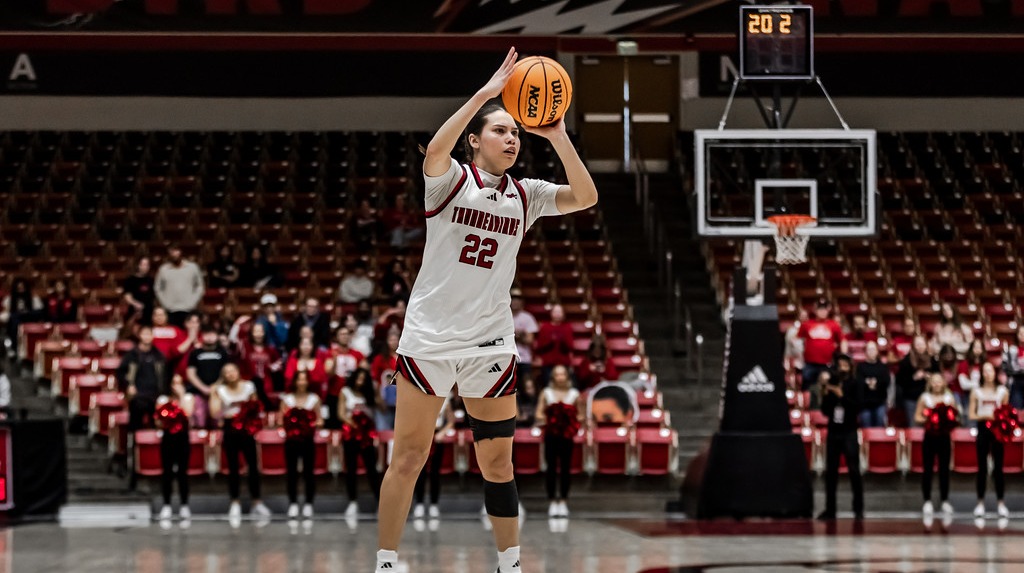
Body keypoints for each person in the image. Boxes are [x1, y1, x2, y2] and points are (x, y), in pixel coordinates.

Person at [375, 46, 598, 573]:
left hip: (490, 344)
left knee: (498, 461)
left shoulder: (528, 194)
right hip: (428, 338)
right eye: (500, 130)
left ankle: (510, 563)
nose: (512, 138)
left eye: (515, 133)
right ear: (475, 141)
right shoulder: (449, 181)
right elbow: (434, 148)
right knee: (408, 458)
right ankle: (386, 562)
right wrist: (486, 94)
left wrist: (557, 133)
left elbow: (586, 196)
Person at [209, 363, 271, 520]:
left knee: (253, 465)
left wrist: (244, 412)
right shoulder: (219, 390)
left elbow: (256, 406)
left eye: (233, 370)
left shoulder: (249, 386)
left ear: (238, 371)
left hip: (247, 427)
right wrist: (226, 408)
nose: (230, 374)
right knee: (233, 467)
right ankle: (234, 501)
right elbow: (214, 413)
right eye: (226, 372)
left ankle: (256, 502)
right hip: (230, 429)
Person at [817, 354, 864, 521]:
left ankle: (858, 509)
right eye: (840, 365)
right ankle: (830, 510)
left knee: (854, 470)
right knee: (831, 472)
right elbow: (824, 411)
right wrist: (826, 393)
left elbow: (858, 406)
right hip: (834, 431)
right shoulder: (832, 383)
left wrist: (841, 395)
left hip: (849, 430)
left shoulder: (856, 383)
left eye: (846, 365)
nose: (843, 368)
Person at [534, 364, 582, 518]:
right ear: (553, 376)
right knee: (551, 468)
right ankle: (552, 501)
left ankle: (564, 500)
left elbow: (581, 416)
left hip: (567, 435)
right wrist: (553, 418)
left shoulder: (574, 394)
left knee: (566, 468)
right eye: (557, 374)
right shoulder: (546, 393)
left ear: (567, 376)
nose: (560, 377)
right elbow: (538, 414)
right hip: (551, 434)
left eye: (563, 374)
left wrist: (569, 418)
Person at [280, 370, 324, 519]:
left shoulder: (314, 398)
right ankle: (292, 503)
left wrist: (309, 423)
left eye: (304, 380)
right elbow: (281, 420)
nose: (302, 383)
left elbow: (320, 419)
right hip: (291, 440)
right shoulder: (287, 399)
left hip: (307, 439)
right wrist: (293, 424)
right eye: (299, 379)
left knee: (308, 472)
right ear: (295, 382)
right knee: (291, 472)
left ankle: (308, 504)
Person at [969, 361, 1010, 519]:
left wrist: (998, 419)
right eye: (984, 371)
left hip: (997, 430)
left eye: (990, 370)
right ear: (981, 374)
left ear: (995, 373)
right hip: (983, 429)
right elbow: (972, 414)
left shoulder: (1002, 391)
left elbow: (1006, 412)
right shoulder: (976, 392)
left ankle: (1001, 503)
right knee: (982, 468)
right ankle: (980, 503)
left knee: (998, 468)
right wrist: (985, 416)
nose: (988, 373)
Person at [914, 372, 958, 518]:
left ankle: (945, 500)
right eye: (934, 381)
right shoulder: (924, 398)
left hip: (944, 437)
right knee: (927, 469)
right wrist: (929, 418)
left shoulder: (949, 397)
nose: (937, 384)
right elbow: (917, 416)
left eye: (939, 381)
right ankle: (927, 501)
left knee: (944, 469)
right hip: (929, 436)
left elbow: (955, 416)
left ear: (943, 383)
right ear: (930, 383)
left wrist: (946, 420)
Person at [339, 367, 382, 519]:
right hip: (351, 435)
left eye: (364, 379)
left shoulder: (369, 394)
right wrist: (354, 423)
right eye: (359, 378)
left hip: (367, 436)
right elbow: (341, 413)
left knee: (372, 469)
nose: (361, 381)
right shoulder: (345, 392)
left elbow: (380, 408)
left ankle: (380, 503)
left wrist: (376, 392)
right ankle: (352, 502)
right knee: (350, 469)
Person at [155, 374, 195, 521]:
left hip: (183, 437)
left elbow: (187, 413)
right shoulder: (163, 400)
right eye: (174, 383)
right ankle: (166, 505)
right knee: (167, 472)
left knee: (183, 472)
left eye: (179, 383)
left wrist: (181, 395)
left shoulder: (188, 398)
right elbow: (159, 419)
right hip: (167, 437)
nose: (176, 386)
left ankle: (184, 505)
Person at [116, 326, 168, 434]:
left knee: (158, 427)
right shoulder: (132, 355)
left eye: (149, 334)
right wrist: (129, 385)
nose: (147, 337)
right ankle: (134, 448)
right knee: (135, 426)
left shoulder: (158, 356)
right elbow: (120, 372)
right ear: (139, 336)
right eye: (144, 334)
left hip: (155, 396)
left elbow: (166, 375)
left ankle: (154, 450)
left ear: (153, 336)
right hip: (137, 396)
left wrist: (164, 393)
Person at [412, 393, 456, 520]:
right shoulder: (421, 397)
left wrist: (442, 433)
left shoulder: (446, 399)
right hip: (422, 436)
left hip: (437, 438)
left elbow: (451, 421)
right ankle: (419, 503)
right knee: (420, 472)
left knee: (435, 473)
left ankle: (434, 504)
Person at [797, 299, 846, 408]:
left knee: (827, 389)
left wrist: (843, 358)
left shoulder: (834, 325)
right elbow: (798, 341)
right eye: (820, 309)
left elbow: (842, 341)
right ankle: (807, 413)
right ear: (815, 310)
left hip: (827, 364)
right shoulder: (807, 324)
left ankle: (826, 411)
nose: (822, 311)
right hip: (810, 363)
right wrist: (798, 358)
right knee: (808, 390)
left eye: (824, 309)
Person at [186, 324, 230, 428]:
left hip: (218, 391)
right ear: (202, 336)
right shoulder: (195, 353)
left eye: (212, 334)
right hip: (198, 391)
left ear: (217, 336)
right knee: (199, 422)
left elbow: (227, 372)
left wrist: (216, 387)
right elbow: (190, 373)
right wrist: (203, 388)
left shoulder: (223, 352)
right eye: (207, 334)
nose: (210, 337)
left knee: (217, 422)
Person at [235, 322, 283, 409]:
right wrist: (237, 324)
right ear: (251, 333)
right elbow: (234, 340)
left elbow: (279, 363)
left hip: (266, 384)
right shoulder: (245, 347)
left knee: (266, 407)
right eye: (255, 331)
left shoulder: (270, 349)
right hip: (248, 383)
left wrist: (273, 367)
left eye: (261, 331)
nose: (258, 334)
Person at [155, 244, 205, 328]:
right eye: (172, 252)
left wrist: (192, 302)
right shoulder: (163, 269)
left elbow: (200, 286)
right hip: (170, 309)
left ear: (181, 252)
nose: (174, 254)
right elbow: (157, 288)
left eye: (176, 251)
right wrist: (165, 303)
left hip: (188, 308)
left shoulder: (192, 267)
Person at [327, 326, 366, 428]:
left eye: (346, 334)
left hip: (351, 395)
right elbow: (328, 373)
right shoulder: (331, 353)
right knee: (335, 425)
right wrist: (334, 361)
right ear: (337, 337)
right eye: (342, 334)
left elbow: (364, 372)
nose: (344, 337)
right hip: (334, 393)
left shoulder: (357, 354)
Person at [895, 335, 936, 427]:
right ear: (913, 346)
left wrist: (930, 377)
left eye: (922, 344)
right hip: (911, 398)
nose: (920, 347)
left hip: (929, 398)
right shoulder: (906, 361)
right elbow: (899, 381)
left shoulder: (933, 360)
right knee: (913, 425)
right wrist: (913, 378)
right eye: (917, 344)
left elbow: (939, 377)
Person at [534, 304, 574, 389]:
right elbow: (540, 346)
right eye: (555, 312)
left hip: (564, 362)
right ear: (551, 313)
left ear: (563, 314)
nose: (557, 314)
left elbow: (570, 347)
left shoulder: (567, 327)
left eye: (559, 312)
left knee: (564, 386)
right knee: (548, 385)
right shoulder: (545, 327)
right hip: (548, 363)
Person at [0, 277, 42, 358]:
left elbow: (39, 313)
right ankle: (14, 348)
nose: (21, 290)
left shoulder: (33, 298)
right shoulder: (9, 299)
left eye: (22, 288)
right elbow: (5, 313)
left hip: (30, 319)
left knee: (19, 316)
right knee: (14, 318)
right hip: (15, 321)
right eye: (19, 288)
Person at [856, 340, 890, 428]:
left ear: (877, 351)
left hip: (879, 402)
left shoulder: (883, 367)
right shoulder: (860, 367)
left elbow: (886, 381)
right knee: (866, 427)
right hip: (864, 403)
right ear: (865, 352)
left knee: (879, 427)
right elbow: (857, 382)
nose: (871, 352)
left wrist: (876, 383)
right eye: (869, 349)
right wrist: (866, 382)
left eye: (873, 349)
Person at [371, 331, 400, 431]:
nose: (394, 342)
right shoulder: (380, 359)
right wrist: (378, 398)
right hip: (384, 400)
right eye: (391, 340)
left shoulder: (404, 359)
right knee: (383, 431)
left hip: (400, 401)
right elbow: (374, 381)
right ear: (387, 342)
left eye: (396, 339)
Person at [510, 288, 538, 385]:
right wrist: (518, 334)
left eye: (518, 299)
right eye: (513, 298)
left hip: (524, 359)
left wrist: (516, 336)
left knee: (525, 386)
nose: (515, 301)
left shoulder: (528, 317)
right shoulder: (504, 317)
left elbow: (530, 339)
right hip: (508, 358)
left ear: (522, 301)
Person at [123, 256, 156, 328]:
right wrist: (135, 304)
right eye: (143, 265)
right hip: (135, 311)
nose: (145, 267)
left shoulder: (151, 280)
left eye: (147, 265)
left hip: (149, 311)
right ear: (138, 265)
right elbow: (127, 296)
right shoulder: (130, 280)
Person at [957, 338, 988, 412]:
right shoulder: (964, 364)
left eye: (980, 347)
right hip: (968, 395)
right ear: (971, 349)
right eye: (975, 347)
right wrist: (979, 384)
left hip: (984, 395)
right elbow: (964, 385)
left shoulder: (986, 364)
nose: (977, 349)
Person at [1002, 325, 1024, 410]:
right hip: (1016, 382)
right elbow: (1004, 366)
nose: (1023, 335)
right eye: (1020, 333)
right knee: (1016, 409)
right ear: (1017, 335)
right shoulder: (1010, 350)